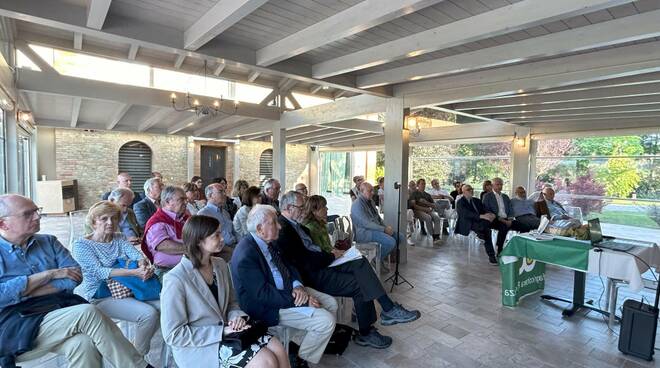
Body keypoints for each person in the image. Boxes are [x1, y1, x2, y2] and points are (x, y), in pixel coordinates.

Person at [0, 194, 152, 368]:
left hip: (57, 310)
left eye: (36, 211)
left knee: (83, 343)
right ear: (3, 223)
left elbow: (74, 279)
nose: (37, 216)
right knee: (87, 312)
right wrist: (48, 275)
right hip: (15, 324)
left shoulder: (49, 242)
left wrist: (22, 291)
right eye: (28, 214)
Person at [292, 194, 420, 348]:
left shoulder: (316, 225)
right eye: (324, 207)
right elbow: (316, 255)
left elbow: (321, 250)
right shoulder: (309, 228)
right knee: (362, 279)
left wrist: (334, 252)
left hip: (326, 263)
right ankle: (382, 314)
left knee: (361, 264)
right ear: (315, 210)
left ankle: (381, 316)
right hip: (321, 270)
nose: (327, 209)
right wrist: (333, 254)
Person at [161, 215, 290, 368]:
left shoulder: (220, 264)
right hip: (199, 347)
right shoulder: (175, 279)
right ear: (198, 241)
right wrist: (221, 331)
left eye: (221, 233)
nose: (222, 239)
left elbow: (232, 303)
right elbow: (174, 335)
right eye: (216, 234)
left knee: (278, 348)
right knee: (265, 361)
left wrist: (236, 317)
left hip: (230, 334)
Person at [230, 205, 337, 367]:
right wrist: (302, 300)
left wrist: (298, 285)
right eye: (274, 222)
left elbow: (289, 266)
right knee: (326, 321)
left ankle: (301, 345)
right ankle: (301, 359)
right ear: (260, 229)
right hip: (267, 306)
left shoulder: (269, 241)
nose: (280, 225)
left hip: (288, 290)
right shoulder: (246, 254)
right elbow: (263, 294)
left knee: (331, 303)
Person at [72, 201, 160, 357]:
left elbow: (137, 256)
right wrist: (134, 273)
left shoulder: (119, 237)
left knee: (166, 305)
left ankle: (168, 350)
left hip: (129, 290)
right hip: (100, 296)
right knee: (149, 314)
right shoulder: (81, 245)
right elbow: (98, 272)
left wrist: (142, 265)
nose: (110, 223)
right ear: (93, 222)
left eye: (114, 218)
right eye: (104, 218)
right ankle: (137, 358)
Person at [142, 186, 189, 278]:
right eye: (182, 199)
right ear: (168, 202)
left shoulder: (184, 218)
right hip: (168, 271)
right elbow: (163, 246)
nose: (186, 202)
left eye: (186, 199)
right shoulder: (157, 222)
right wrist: (193, 249)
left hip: (188, 266)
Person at [351, 182, 399, 269]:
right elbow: (366, 224)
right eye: (370, 191)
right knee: (391, 242)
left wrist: (386, 227)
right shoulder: (357, 205)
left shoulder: (371, 201)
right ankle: (374, 260)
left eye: (373, 190)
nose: (373, 193)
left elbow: (378, 218)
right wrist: (384, 230)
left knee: (400, 237)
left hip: (376, 229)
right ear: (362, 191)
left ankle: (380, 257)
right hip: (365, 233)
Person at [455, 185, 499, 265]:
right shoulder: (460, 202)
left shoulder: (477, 200)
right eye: (469, 189)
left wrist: (490, 214)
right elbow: (465, 214)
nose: (471, 190)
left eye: (472, 189)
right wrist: (481, 216)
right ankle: (491, 256)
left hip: (480, 222)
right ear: (463, 192)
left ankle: (480, 234)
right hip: (468, 222)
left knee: (488, 223)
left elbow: (484, 209)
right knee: (487, 230)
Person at [482, 178, 525, 250]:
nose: (500, 186)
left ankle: (521, 247)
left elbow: (510, 209)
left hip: (507, 219)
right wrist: (503, 220)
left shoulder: (505, 196)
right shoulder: (487, 196)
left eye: (501, 184)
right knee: (503, 227)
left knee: (523, 225)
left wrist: (510, 219)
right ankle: (499, 248)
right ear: (492, 185)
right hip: (495, 219)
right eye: (497, 184)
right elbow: (487, 210)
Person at [197, 183, 237, 262]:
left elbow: (233, 232)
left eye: (224, 191)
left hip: (233, 245)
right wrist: (231, 250)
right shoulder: (203, 214)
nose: (225, 194)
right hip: (219, 251)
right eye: (221, 192)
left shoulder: (225, 213)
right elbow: (207, 241)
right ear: (210, 196)